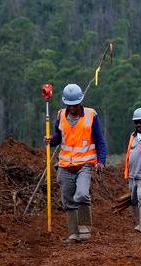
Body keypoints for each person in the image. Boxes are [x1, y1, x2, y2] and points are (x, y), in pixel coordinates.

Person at [45, 83, 108, 243]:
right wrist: (51, 140)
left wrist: (101, 161)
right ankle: (73, 234)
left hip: (85, 164)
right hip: (65, 165)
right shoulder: (60, 115)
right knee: (68, 200)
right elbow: (59, 137)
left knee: (81, 194)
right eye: (69, 105)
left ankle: (85, 230)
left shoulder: (91, 115)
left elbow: (100, 141)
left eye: (75, 105)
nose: (73, 108)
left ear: (81, 101)